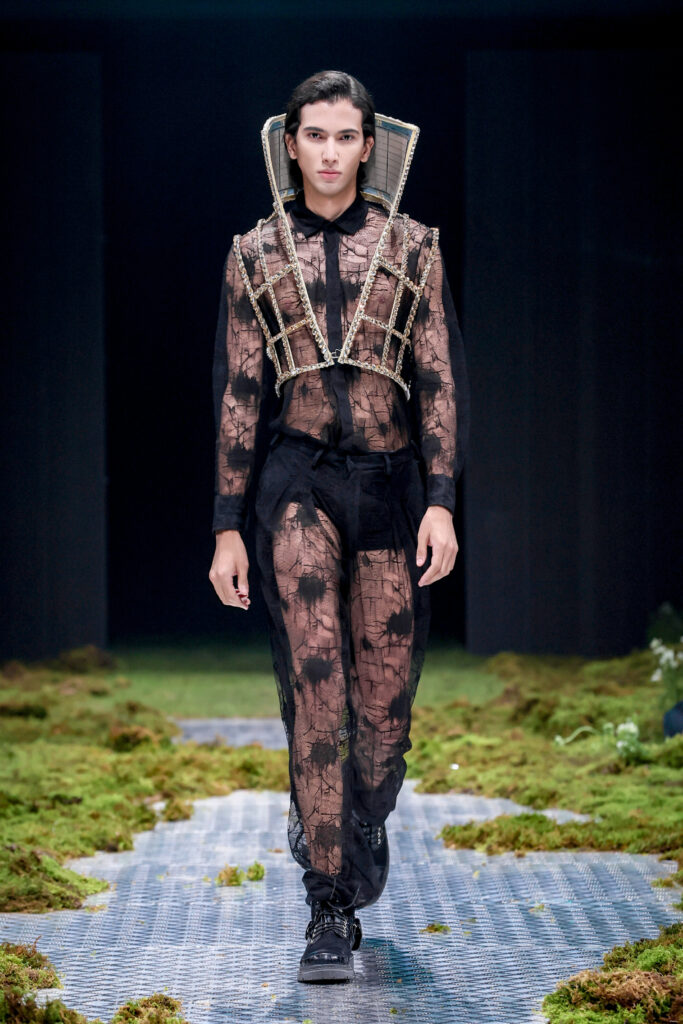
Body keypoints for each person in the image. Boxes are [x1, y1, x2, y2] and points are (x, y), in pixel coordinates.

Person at [209, 70, 470, 983]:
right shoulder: (254, 254)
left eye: (343, 136)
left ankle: (357, 819)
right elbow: (239, 391)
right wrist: (226, 525)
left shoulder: (411, 248)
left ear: (368, 145)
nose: (327, 152)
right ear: (290, 144)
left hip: (391, 488)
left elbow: (438, 380)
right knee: (317, 688)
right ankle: (328, 907)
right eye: (312, 135)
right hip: (296, 486)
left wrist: (441, 499)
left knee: (382, 718)